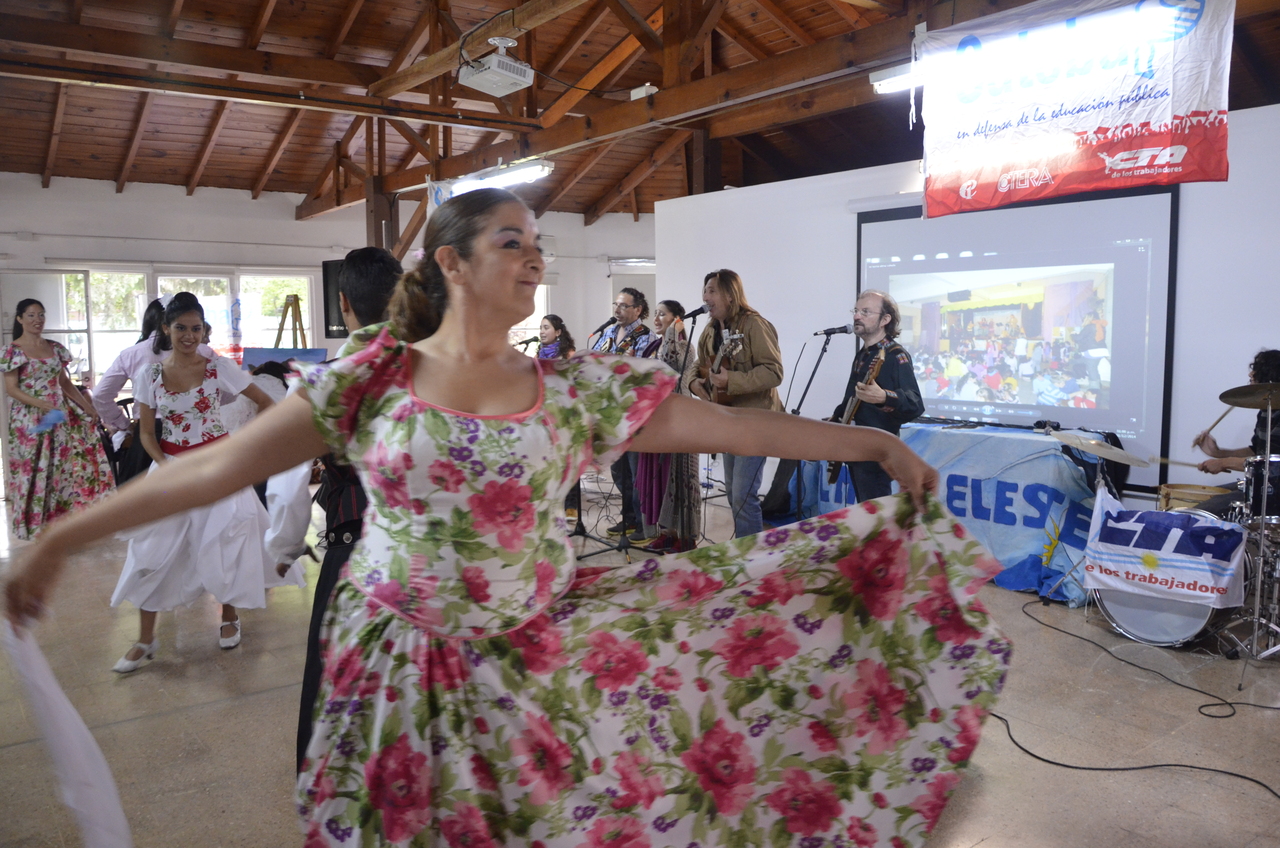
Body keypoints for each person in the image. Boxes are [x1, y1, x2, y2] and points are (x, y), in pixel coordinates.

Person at [6, 189, 1010, 847]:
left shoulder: (574, 389)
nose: (534, 257)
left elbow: (736, 425)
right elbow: (215, 468)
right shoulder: (377, 379)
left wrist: (873, 444)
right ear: (449, 263)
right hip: (399, 667)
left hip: (534, 662)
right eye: (512, 241)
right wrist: (58, 535)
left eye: (539, 243)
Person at [262, 246, 403, 771]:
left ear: (344, 303)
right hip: (431, 554)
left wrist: (283, 546)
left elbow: (287, 483)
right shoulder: (438, 369)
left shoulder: (327, 380)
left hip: (355, 552)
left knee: (341, 684)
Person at [107, 292, 289, 673]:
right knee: (149, 551)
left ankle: (229, 616)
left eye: (196, 328)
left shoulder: (218, 367)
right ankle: (145, 638)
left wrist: (243, 448)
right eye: (181, 328)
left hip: (218, 467)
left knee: (227, 541)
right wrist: (165, 466)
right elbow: (146, 434)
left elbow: (266, 404)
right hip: (171, 468)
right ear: (165, 329)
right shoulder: (149, 375)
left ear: (204, 330)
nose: (189, 336)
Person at [1, 298, 113, 539]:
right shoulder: (13, 351)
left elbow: (64, 383)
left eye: (41, 315)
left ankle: (58, 525)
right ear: (19, 319)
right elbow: (11, 389)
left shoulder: (54, 347)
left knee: (59, 468)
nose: (37, 320)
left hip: (58, 415)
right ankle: (33, 525)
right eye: (31, 315)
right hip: (29, 419)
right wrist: (40, 403)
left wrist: (87, 406)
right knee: (33, 468)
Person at [687, 269, 783, 537]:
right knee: (732, 492)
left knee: (743, 495)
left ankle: (753, 555)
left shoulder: (754, 325)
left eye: (712, 291)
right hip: (727, 420)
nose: (705, 297)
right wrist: (693, 383)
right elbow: (699, 364)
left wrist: (732, 380)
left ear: (730, 295)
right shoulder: (709, 329)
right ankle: (744, 548)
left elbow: (774, 372)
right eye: (705, 290)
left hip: (755, 422)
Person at [92, 296, 217, 485]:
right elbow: (225, 394)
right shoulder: (204, 352)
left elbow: (100, 395)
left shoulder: (132, 353)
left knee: (147, 497)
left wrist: (124, 425)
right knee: (195, 494)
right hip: (195, 433)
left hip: (147, 435)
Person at [830, 290, 925, 503]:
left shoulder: (895, 355)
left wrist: (884, 397)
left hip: (877, 455)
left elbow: (915, 404)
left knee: (877, 513)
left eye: (865, 312)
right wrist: (836, 419)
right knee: (865, 511)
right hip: (855, 449)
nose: (857, 316)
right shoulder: (863, 354)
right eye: (856, 311)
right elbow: (851, 399)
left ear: (885, 320)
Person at [634, 299, 700, 551]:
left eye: (662, 314)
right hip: (657, 419)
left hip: (679, 419)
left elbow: (674, 363)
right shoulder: (654, 345)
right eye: (656, 314)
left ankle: (686, 536)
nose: (656, 319)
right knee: (661, 480)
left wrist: (673, 332)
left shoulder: (684, 346)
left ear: (676, 319)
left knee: (680, 479)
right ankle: (667, 532)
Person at [592, 287, 652, 536]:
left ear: (637, 309)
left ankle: (643, 523)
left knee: (636, 470)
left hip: (632, 412)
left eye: (624, 306)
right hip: (610, 412)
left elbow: (642, 372)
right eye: (616, 305)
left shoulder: (644, 335)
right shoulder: (608, 331)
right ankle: (628, 518)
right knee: (618, 469)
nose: (617, 310)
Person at [1193, 349, 1280, 517]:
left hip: (1274, 492)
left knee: (1203, 513)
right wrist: (1218, 453)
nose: (1250, 374)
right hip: (1261, 485)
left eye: (1257, 369)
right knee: (1204, 499)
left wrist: (1223, 463)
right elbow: (1257, 452)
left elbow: (1272, 464)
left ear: (1271, 376)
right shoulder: (1266, 409)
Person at [535, 314, 582, 522]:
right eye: (541, 328)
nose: (542, 332)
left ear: (558, 332)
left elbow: (576, 383)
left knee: (569, 461)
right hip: (545, 413)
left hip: (566, 413)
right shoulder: (539, 353)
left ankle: (571, 507)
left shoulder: (568, 355)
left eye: (546, 327)